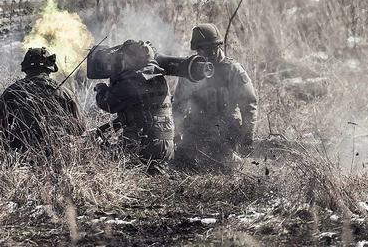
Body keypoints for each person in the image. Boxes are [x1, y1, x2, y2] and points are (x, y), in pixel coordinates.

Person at [173, 23, 258, 170]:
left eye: (211, 48)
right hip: (198, 127)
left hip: (227, 129)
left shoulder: (232, 69)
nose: (207, 53)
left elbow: (249, 103)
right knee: (180, 161)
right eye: (202, 50)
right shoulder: (191, 72)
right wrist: (176, 132)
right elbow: (179, 104)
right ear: (197, 50)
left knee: (220, 163)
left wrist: (247, 138)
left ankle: (232, 160)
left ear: (218, 46)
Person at [94, 40, 174, 173]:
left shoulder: (135, 81)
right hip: (167, 150)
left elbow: (107, 103)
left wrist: (101, 88)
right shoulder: (160, 78)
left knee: (99, 158)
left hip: (145, 150)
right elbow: (140, 113)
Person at [0, 47, 85, 153]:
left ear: (26, 67)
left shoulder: (12, 91)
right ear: (49, 67)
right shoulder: (64, 92)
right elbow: (79, 129)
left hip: (19, 153)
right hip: (58, 152)